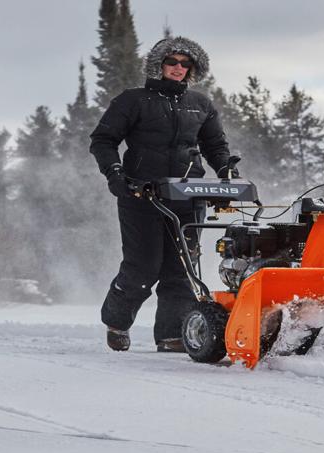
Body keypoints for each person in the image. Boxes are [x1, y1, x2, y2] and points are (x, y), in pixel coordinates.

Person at [89, 36, 237, 352]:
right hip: (141, 194)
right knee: (143, 267)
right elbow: (103, 140)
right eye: (172, 61)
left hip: (187, 195)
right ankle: (116, 321)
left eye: (186, 63)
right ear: (159, 65)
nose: (178, 68)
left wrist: (226, 171)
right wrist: (116, 174)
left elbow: (215, 147)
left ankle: (171, 336)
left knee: (181, 269)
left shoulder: (201, 104)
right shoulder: (133, 101)